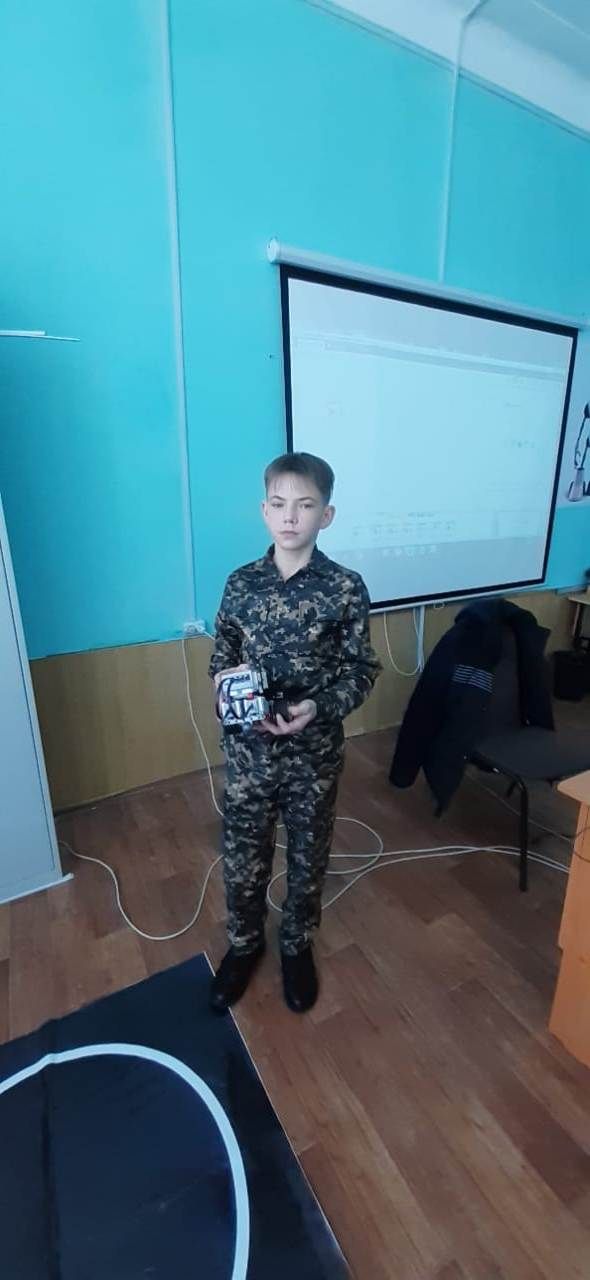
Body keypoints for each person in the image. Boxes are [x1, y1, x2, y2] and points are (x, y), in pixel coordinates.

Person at [208, 451, 381, 1014]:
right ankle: (244, 944)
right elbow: (222, 655)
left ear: (325, 515)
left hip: (313, 753)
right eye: (279, 504)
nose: (290, 516)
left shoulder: (345, 587)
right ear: (264, 511)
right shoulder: (241, 583)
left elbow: (361, 670)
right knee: (243, 854)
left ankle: (296, 943)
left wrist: (318, 707)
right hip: (250, 752)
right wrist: (226, 689)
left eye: (305, 506)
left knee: (308, 856)